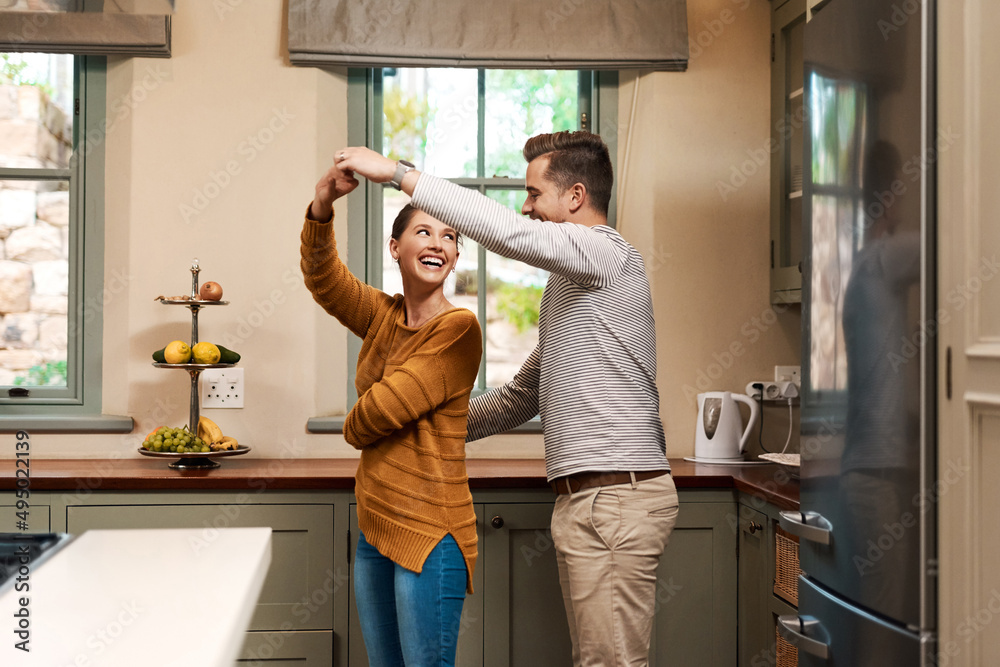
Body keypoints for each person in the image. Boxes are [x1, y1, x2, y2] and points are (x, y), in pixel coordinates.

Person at [336, 131, 679, 667]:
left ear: (574, 196)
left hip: (614, 496)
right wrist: (441, 420)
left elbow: (509, 233)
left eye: (534, 193)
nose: (526, 206)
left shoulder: (607, 254)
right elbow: (523, 395)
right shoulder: (567, 287)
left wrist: (399, 174)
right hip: (585, 501)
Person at [300, 160, 482, 666]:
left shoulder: (459, 330)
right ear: (395, 247)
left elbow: (379, 413)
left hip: (430, 532)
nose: (437, 244)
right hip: (376, 524)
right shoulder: (384, 316)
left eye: (449, 237)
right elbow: (325, 281)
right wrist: (322, 205)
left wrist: (353, 422)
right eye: (423, 231)